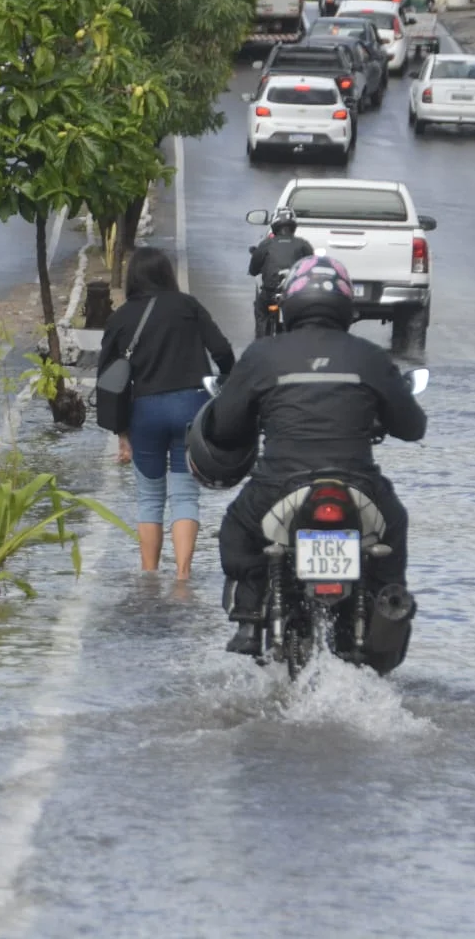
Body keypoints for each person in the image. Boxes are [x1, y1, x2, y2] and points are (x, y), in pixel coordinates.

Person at [193, 255, 427, 655]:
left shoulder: (262, 355)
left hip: (278, 487)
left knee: (236, 528)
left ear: (290, 304)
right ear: (346, 307)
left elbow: (225, 427)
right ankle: (388, 605)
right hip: (359, 486)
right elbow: (412, 426)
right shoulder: (370, 356)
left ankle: (248, 616)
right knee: (395, 524)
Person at [99, 247, 236, 581]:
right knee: (185, 494)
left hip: (145, 411)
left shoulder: (121, 317)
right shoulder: (188, 306)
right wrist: (227, 385)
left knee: (149, 498)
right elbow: (222, 350)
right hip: (191, 407)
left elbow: (109, 379)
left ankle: (149, 576)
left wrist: (121, 432)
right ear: (167, 274)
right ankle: (183, 576)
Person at [247, 207, 315, 337]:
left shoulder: (266, 244)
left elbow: (253, 269)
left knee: (261, 310)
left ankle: (261, 342)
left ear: (274, 226)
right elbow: (311, 267)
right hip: (295, 295)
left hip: (270, 293)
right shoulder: (303, 244)